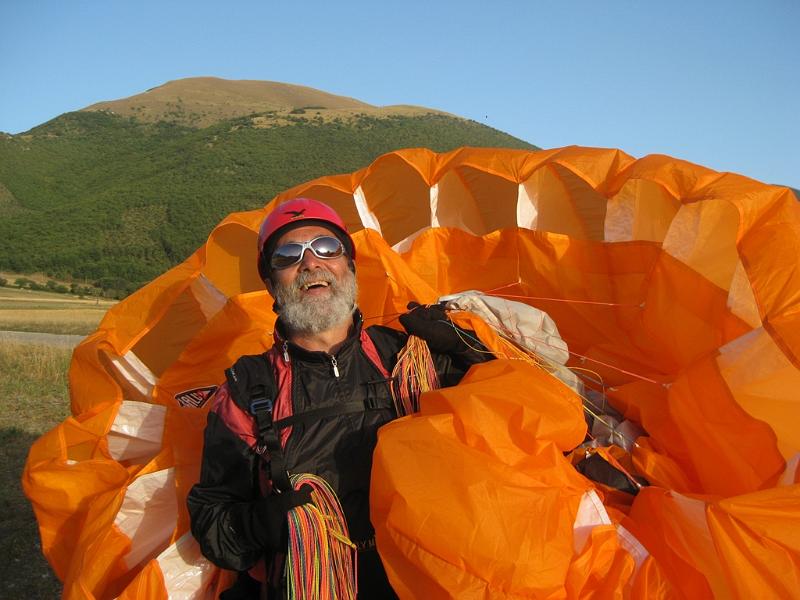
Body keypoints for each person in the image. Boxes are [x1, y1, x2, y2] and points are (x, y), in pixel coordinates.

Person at [187, 198, 491, 599]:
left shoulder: (409, 357)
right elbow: (213, 519)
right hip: (308, 583)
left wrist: (474, 355)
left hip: (423, 581)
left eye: (327, 249)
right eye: (289, 255)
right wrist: (260, 524)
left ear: (349, 266)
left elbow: (514, 430)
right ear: (270, 284)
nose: (311, 263)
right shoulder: (248, 390)